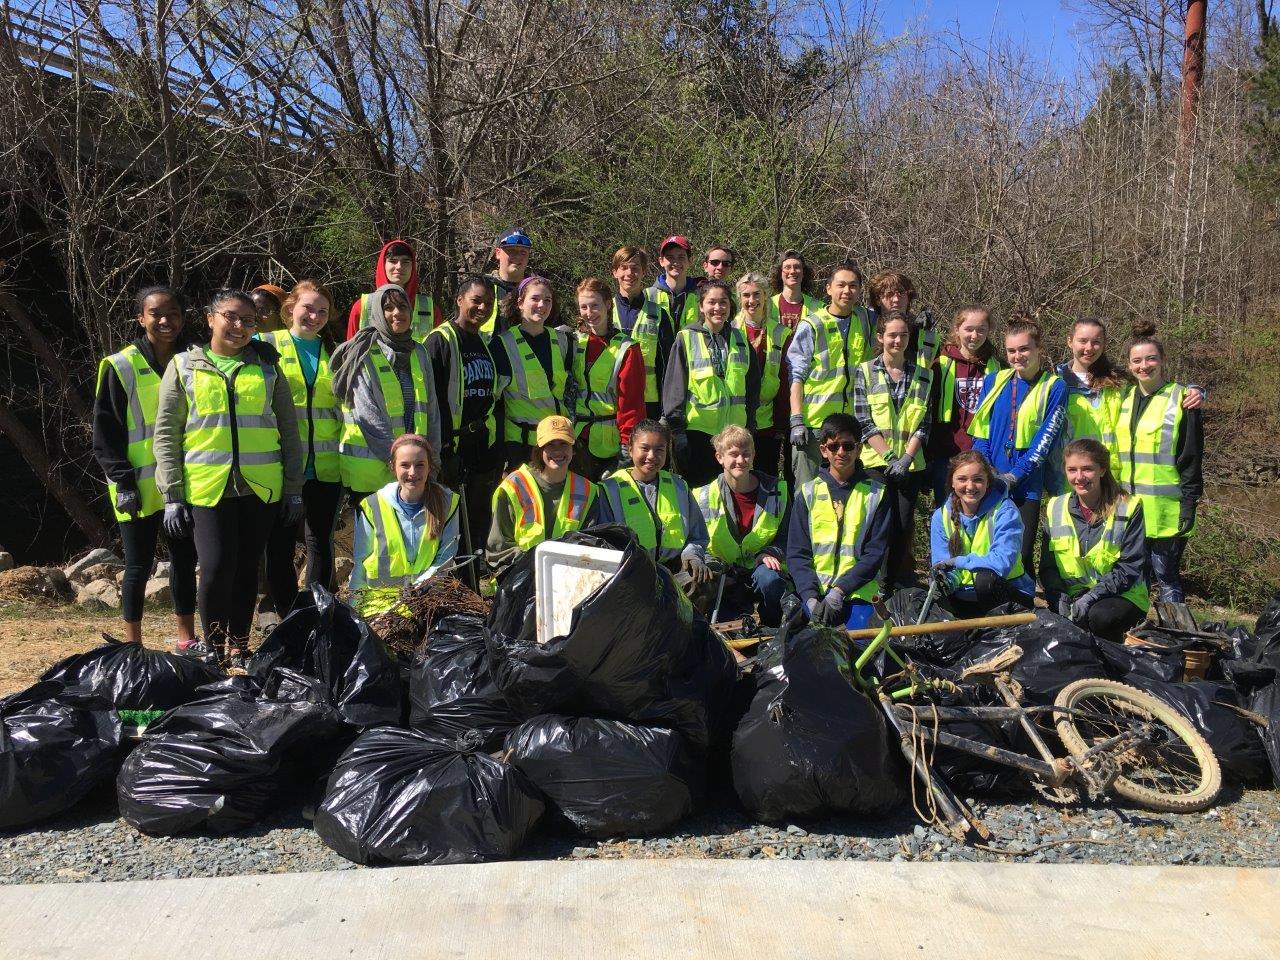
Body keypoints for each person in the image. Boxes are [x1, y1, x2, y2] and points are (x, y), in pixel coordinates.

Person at [153, 289, 304, 667]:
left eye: (248, 320)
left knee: (248, 567)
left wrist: (293, 488)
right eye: (231, 317)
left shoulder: (268, 367)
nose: (239, 326)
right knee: (217, 566)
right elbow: (167, 432)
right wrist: (171, 492)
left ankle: (239, 644)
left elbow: (288, 428)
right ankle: (215, 648)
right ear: (210, 318)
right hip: (208, 487)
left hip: (260, 485)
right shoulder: (184, 366)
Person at [92, 285, 199, 651]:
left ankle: (186, 639)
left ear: (184, 318)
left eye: (173, 313)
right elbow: (105, 433)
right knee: (137, 566)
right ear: (141, 318)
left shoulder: (196, 359)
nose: (165, 320)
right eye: (156, 313)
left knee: (185, 561)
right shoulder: (120, 366)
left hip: (181, 481)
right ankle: (132, 644)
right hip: (135, 483)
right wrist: (121, 480)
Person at [260, 281, 344, 617]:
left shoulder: (334, 352)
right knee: (278, 545)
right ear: (290, 308)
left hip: (326, 465)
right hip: (284, 465)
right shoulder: (266, 344)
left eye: (322, 311)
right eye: (308, 308)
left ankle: (314, 613)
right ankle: (283, 615)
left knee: (320, 542)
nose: (315, 316)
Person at [1051, 316, 1203, 495]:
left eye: (1096, 342)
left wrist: (1195, 390)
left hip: (1117, 485)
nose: (1089, 348)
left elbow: (1153, 389)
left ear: (1104, 343)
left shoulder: (1120, 382)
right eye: (1083, 341)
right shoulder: (1055, 386)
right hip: (1075, 485)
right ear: (1069, 341)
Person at [970, 317, 1067, 574]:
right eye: (1011, 350)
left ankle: (1024, 605)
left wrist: (1015, 476)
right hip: (989, 478)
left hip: (1027, 483)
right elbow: (981, 430)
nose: (1017, 356)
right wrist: (986, 468)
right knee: (990, 547)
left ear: (1039, 349)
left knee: (1021, 553)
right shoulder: (994, 380)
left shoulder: (1055, 386)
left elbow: (1045, 440)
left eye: (1024, 349)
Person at [1115, 321, 1203, 604]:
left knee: (1166, 577)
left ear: (1162, 360)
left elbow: (1191, 457)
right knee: (1135, 575)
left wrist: (1190, 502)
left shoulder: (1182, 399)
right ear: (1129, 365)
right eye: (1137, 360)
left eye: (1151, 358)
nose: (1144, 366)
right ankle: (1139, 638)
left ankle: (1177, 635)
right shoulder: (1123, 398)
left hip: (1168, 510)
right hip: (1131, 510)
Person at [331, 284, 442, 502]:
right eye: (388, 308)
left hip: (413, 472)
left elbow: (431, 411)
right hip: (372, 471)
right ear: (376, 313)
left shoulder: (419, 352)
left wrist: (432, 461)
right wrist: (399, 463)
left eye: (403, 307)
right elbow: (367, 414)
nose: (397, 313)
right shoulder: (361, 351)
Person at [852, 310, 933, 590]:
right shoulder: (864, 371)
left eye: (904, 335)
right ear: (880, 337)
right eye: (892, 335)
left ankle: (896, 586)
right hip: (876, 461)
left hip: (910, 464)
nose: (898, 340)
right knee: (877, 525)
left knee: (902, 524)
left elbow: (924, 422)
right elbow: (863, 420)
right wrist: (890, 457)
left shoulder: (924, 375)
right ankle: (875, 584)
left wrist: (907, 458)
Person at [787, 413, 891, 630]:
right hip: (814, 593)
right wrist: (810, 597)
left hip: (857, 593)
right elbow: (798, 553)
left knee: (861, 648)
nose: (841, 452)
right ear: (823, 450)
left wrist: (839, 591)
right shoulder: (808, 493)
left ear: (859, 448)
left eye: (848, 445)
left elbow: (874, 554)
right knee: (802, 647)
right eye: (834, 447)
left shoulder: (877, 494)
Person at [1040, 439, 1149, 641]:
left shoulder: (1128, 507)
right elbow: (1047, 567)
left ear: (1102, 470)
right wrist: (1057, 595)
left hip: (1121, 596)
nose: (1079, 477)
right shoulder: (1055, 506)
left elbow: (1131, 567)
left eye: (1087, 469)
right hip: (1074, 595)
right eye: (1072, 470)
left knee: (1099, 617)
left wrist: (1092, 597)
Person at [426, 275, 500, 566]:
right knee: (450, 526)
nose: (483, 307)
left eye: (489, 303)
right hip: (453, 447)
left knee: (477, 524)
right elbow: (434, 402)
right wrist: (443, 450)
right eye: (477, 300)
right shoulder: (440, 340)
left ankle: (473, 589)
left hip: (480, 445)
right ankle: (450, 590)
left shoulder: (482, 341)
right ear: (459, 300)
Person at [662, 280, 760, 487]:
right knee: (701, 497)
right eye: (711, 302)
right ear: (701, 306)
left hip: (735, 437)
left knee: (732, 495)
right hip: (698, 436)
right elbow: (674, 388)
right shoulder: (686, 338)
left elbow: (752, 388)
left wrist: (750, 426)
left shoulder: (741, 339)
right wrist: (677, 433)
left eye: (723, 302)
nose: (718, 308)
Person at [786, 260, 875, 487]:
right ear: (828, 288)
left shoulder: (865, 319)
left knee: (846, 492)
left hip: (851, 425)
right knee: (808, 491)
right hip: (814, 425)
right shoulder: (813, 324)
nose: (847, 291)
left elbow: (895, 326)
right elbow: (796, 375)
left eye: (853, 286)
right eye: (841, 285)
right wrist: (797, 421)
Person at [350, 434, 460, 617]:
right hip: (380, 611)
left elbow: (445, 557)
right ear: (392, 467)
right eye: (405, 465)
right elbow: (360, 565)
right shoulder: (372, 506)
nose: (412, 472)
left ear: (429, 467)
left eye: (419, 465)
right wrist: (352, 614)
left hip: (427, 606)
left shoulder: (447, 503)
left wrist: (419, 590)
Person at [693, 425, 790, 626]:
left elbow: (789, 536)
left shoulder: (778, 491)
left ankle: (774, 625)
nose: (740, 460)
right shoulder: (701, 496)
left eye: (746, 454)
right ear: (719, 457)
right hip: (723, 575)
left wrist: (769, 553)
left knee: (770, 579)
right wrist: (714, 566)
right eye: (733, 454)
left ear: (754, 455)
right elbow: (698, 541)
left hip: (761, 569)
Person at [598, 419, 712, 583]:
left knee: (701, 579)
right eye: (644, 448)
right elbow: (604, 544)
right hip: (628, 572)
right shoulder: (609, 490)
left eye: (659, 450)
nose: (652, 456)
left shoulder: (680, 486)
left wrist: (692, 556)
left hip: (673, 570)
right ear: (630, 450)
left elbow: (697, 536)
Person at [486, 415, 599, 575]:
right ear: (539, 449)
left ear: (573, 449)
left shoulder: (588, 490)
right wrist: (540, 566)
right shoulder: (513, 487)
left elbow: (590, 547)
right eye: (550, 444)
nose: (558, 451)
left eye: (563, 444)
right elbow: (498, 553)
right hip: (521, 581)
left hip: (570, 582)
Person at [930, 451, 1034, 616]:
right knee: (934, 587)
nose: (970, 486)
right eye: (962, 479)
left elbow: (1002, 563)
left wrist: (958, 561)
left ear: (988, 483)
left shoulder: (1005, 510)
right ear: (952, 482)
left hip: (1007, 594)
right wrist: (948, 580)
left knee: (985, 579)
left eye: (978, 479)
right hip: (963, 597)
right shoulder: (940, 516)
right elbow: (942, 564)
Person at [492, 275, 575, 470]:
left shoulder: (564, 341)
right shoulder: (502, 345)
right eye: (535, 299)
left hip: (557, 441)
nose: (542, 305)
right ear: (520, 302)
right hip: (520, 444)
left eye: (547, 300)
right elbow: (494, 401)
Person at [926, 305, 1002, 506]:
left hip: (983, 453)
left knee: (981, 512)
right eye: (969, 329)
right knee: (947, 510)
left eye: (981, 330)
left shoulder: (997, 366)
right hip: (946, 453)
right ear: (957, 329)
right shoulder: (941, 363)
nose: (974, 335)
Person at [571, 278, 645, 479]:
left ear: (607, 304)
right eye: (583, 307)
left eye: (595, 305)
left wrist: (627, 446)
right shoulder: (574, 341)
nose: (589, 312)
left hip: (609, 444)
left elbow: (631, 404)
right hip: (575, 439)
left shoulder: (627, 348)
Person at [611, 245, 676, 419]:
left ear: (644, 272)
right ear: (614, 272)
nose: (629, 273)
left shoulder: (659, 314)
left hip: (649, 403)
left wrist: (666, 411)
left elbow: (667, 367)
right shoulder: (605, 311)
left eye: (635, 268)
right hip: (612, 401)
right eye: (624, 268)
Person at [735, 272, 789, 477]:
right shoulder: (729, 329)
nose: (752, 300)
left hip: (768, 425)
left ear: (766, 296)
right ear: (739, 298)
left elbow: (785, 382)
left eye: (757, 294)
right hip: (736, 420)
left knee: (766, 478)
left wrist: (781, 425)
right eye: (746, 295)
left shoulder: (780, 333)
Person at [344, 239, 441, 341]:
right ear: (383, 265)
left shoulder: (429, 309)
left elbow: (438, 352)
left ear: (413, 267)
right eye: (393, 261)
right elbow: (351, 353)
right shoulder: (361, 307)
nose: (399, 267)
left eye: (405, 262)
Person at [866, 269, 940, 367]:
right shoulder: (865, 324)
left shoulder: (921, 329)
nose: (896, 299)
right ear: (878, 300)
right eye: (890, 294)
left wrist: (919, 334)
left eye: (901, 293)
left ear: (909, 297)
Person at [483, 228, 533, 337]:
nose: (518, 256)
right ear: (498, 253)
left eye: (523, 252)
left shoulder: (538, 290)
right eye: (511, 251)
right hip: (488, 351)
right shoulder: (483, 287)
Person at [648, 235, 700, 331]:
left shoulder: (701, 296)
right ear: (661, 261)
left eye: (681, 257)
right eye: (670, 257)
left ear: (690, 261)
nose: (676, 262)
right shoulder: (648, 296)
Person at [769, 249, 823, 329]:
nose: (792, 271)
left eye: (797, 267)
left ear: (803, 273)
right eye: (787, 267)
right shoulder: (767, 305)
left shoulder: (819, 308)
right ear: (780, 273)